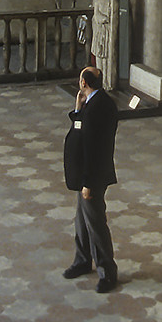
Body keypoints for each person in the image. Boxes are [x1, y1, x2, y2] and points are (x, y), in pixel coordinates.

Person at [62, 66, 119, 292]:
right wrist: (77, 110)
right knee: (82, 222)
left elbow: (94, 149)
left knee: (95, 224)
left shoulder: (97, 109)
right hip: (86, 175)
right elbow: (79, 132)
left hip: (92, 177)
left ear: (84, 83)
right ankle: (83, 261)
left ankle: (107, 271)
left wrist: (87, 183)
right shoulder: (93, 103)